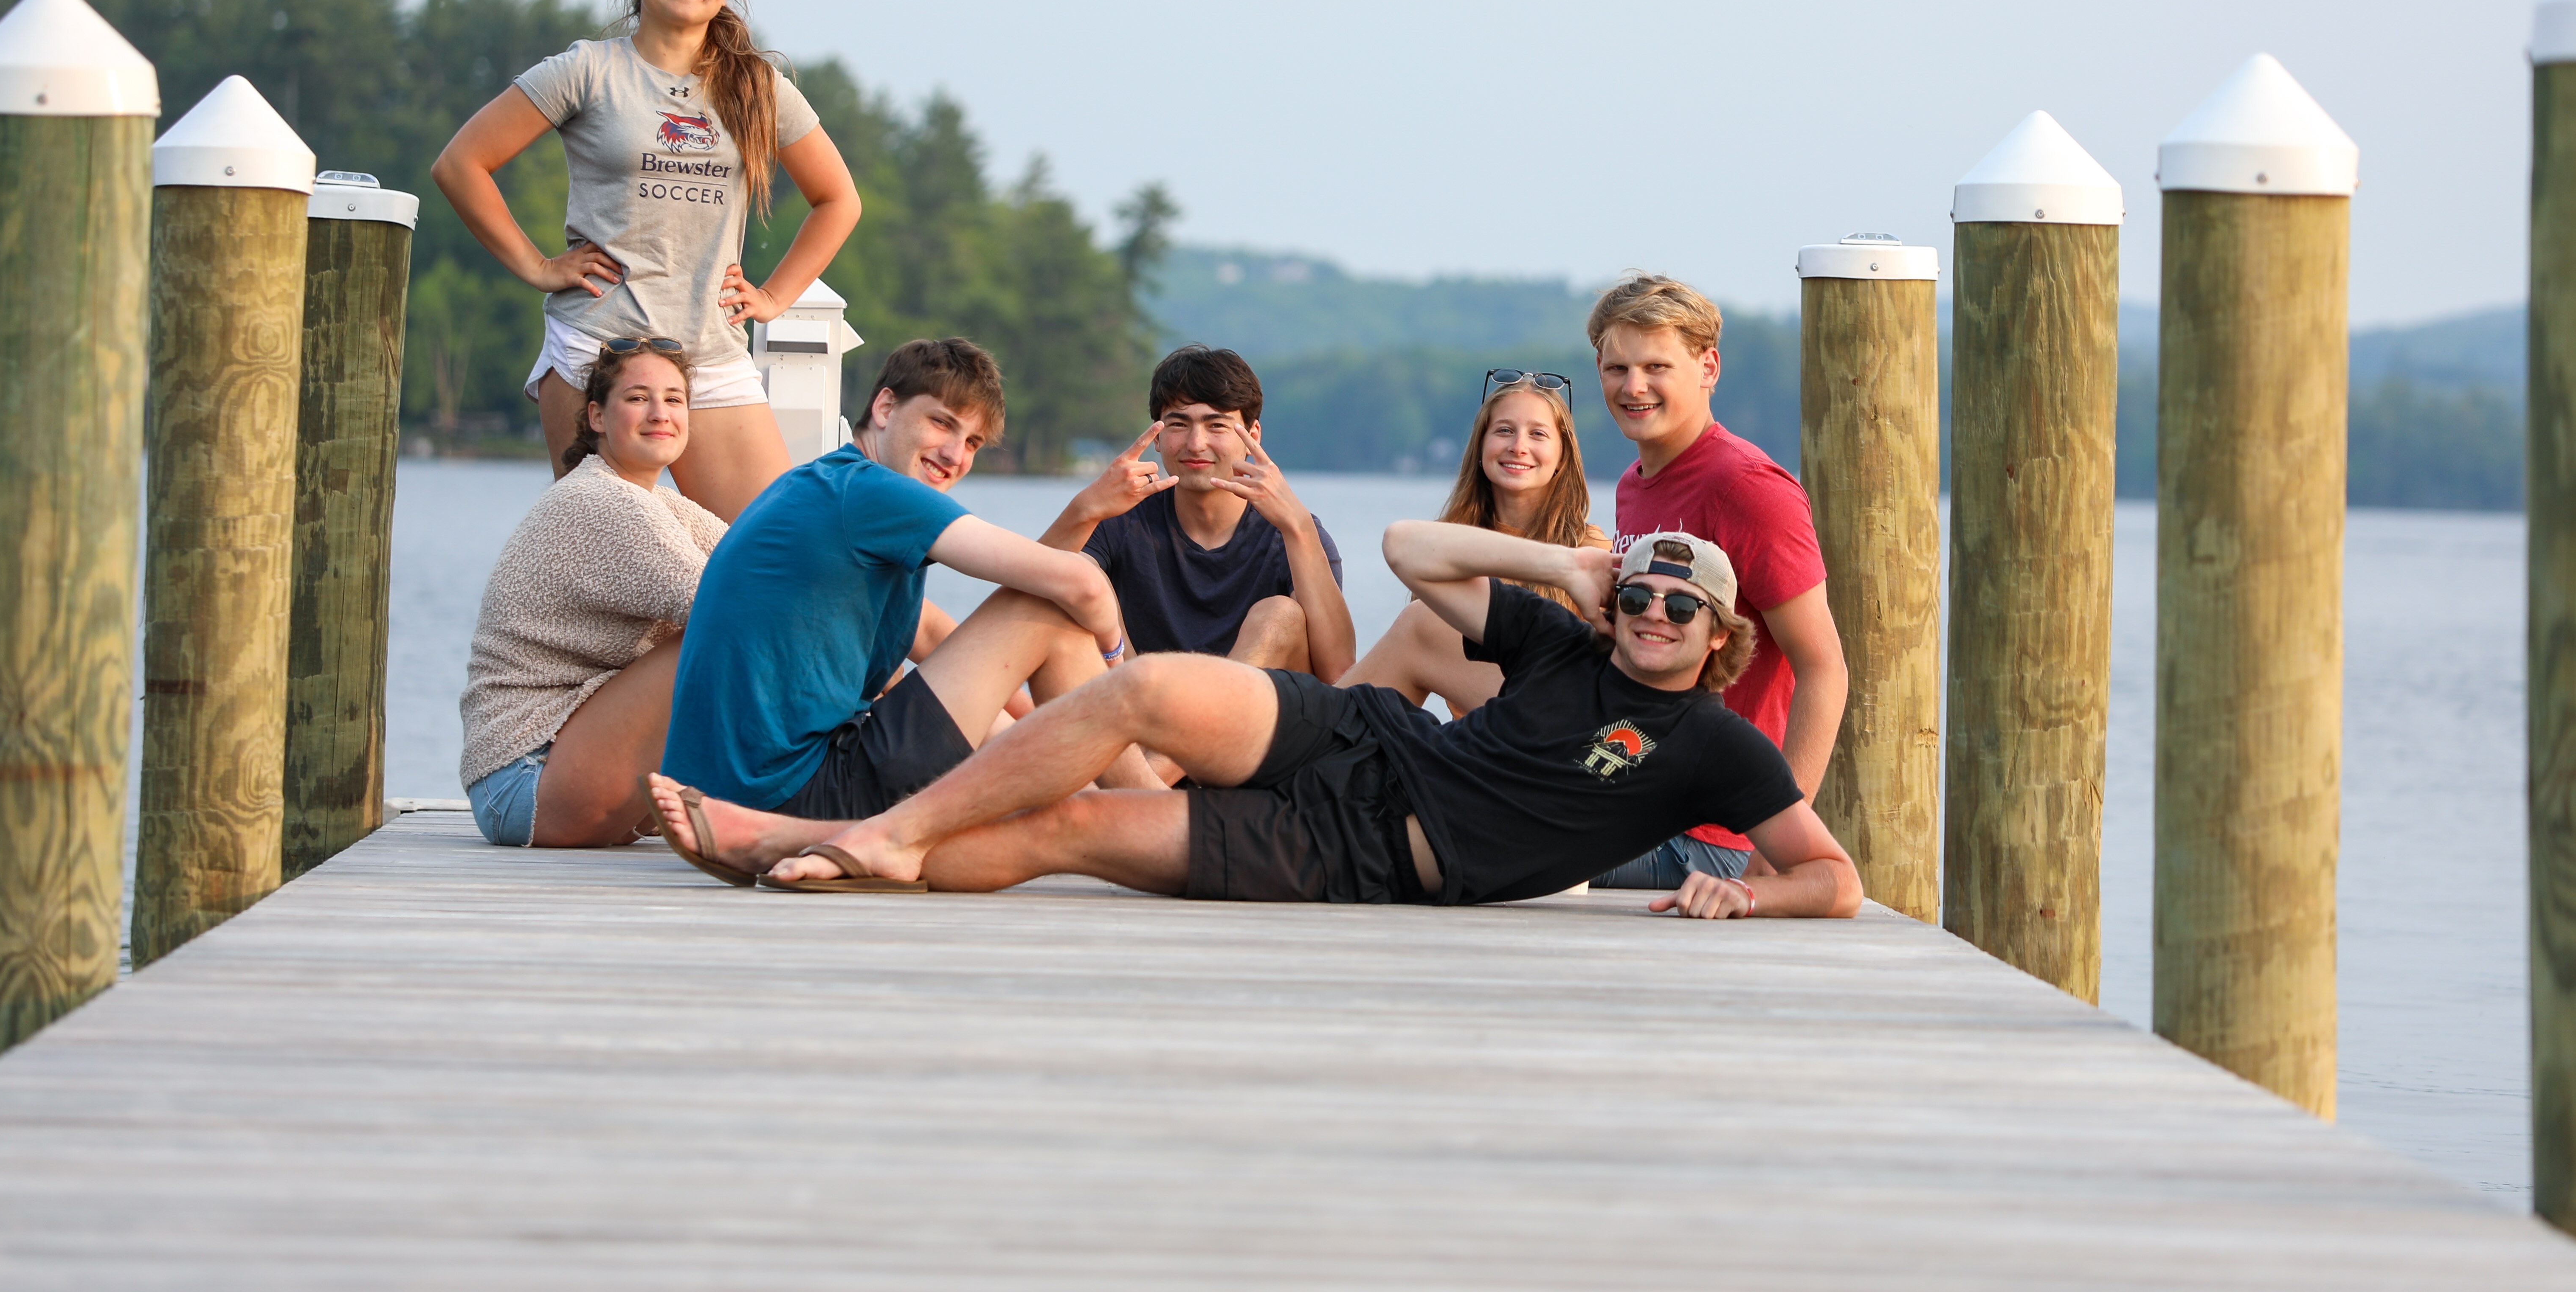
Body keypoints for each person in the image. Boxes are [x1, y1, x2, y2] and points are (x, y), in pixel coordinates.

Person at [647, 526, 1861, 925]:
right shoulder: (1563, 639)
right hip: (1366, 739)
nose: (1651, 614)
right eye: (1639, 594)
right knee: (1141, 690)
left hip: (1367, 856)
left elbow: (1834, 879)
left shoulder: (1714, 743)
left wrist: (1745, 897)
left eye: (1679, 606)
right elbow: (1407, 550)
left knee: (1073, 829)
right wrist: (1562, 565)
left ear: (1719, 634)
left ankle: (799, 843)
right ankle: (875, 838)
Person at [653, 337, 1161, 873]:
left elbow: (946, 641)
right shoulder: (872, 492)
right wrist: (1115, 666)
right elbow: (1080, 585)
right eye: (942, 423)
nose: (954, 455)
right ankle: (1155, 815)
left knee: (1015, 730)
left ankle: (1113, 812)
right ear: (885, 407)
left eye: (972, 442)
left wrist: (1036, 742)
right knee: (1053, 617)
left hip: (735, 790)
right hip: (784, 795)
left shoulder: (826, 487)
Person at [429, 0, 862, 524]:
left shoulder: (758, 87)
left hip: (712, 354)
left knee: (771, 548)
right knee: (605, 557)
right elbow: (461, 164)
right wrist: (538, 266)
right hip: (596, 352)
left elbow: (838, 199)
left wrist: (772, 298)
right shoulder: (587, 70)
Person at [1583, 275, 1849, 893]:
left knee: (1486, 834)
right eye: (1617, 368)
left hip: (1708, 837)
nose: (1633, 387)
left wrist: (1774, 846)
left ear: (1708, 367)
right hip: (1634, 789)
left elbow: (1823, 669)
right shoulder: (1633, 484)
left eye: (1656, 366)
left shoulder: (1748, 488)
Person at [459, 340, 725, 848]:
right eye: (638, 398)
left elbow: (758, 571)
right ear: (597, 416)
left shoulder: (662, 505)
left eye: (673, 399)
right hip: (522, 779)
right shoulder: (600, 502)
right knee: (716, 640)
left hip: (564, 769)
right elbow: (735, 611)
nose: (660, 413)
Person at [1042, 345, 1353, 681]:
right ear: (1157, 437)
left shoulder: (1295, 534)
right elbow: (1031, 591)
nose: (1195, 444)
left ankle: (1197, 709)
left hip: (1254, 710)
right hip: (1138, 700)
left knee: (1280, 615)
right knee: (1079, 575)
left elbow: (1338, 672)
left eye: (1216, 425)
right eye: (1179, 424)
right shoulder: (1121, 520)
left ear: (1253, 436)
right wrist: (1084, 507)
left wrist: (1298, 526)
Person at [1341, 368, 1611, 716]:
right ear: (1481, 447)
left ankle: (1312, 730)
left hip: (1556, 719)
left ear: (1562, 456)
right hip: (1482, 736)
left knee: (1417, 624)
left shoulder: (1588, 549)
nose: (1518, 447)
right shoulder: (1452, 544)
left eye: (1538, 434)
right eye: (1504, 431)